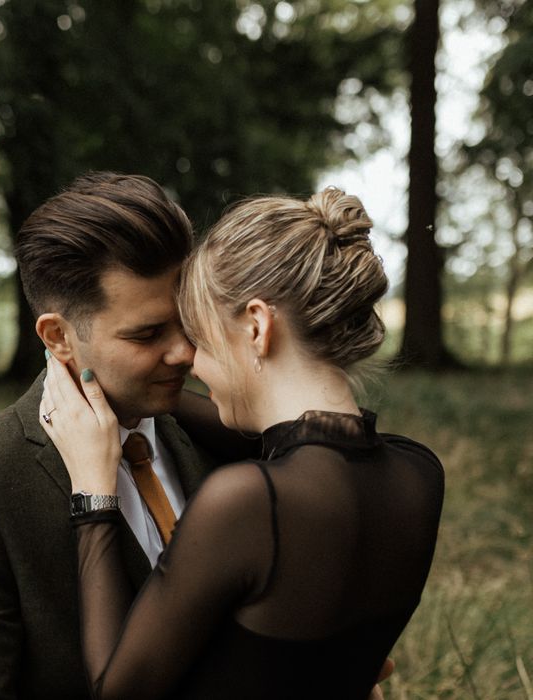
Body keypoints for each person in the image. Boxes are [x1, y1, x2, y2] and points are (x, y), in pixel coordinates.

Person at [40, 187, 444, 699]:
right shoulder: (419, 472)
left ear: (257, 326)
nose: (192, 363)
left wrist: (94, 495)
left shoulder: (250, 503)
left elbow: (113, 690)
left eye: (202, 341)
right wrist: (107, 381)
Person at [0, 172, 215, 699]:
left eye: (187, 322)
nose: (185, 354)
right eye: (148, 334)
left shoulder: (214, 438)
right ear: (59, 337)